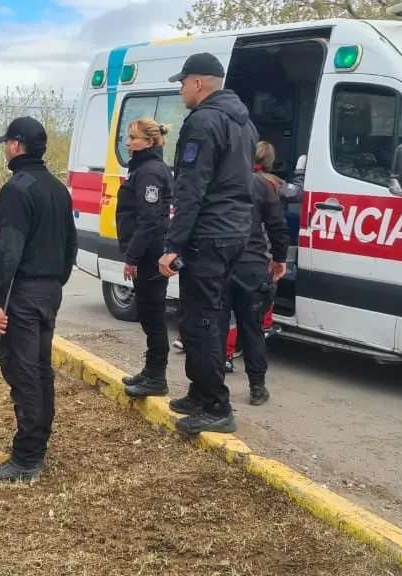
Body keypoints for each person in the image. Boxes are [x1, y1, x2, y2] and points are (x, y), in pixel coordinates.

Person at [156, 52, 257, 435]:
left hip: (209, 234)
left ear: (198, 83)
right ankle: (199, 393)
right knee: (205, 314)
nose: (181, 90)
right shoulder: (242, 121)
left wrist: (173, 245)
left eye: (183, 83)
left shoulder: (203, 121)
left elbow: (190, 188)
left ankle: (216, 406)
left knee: (201, 321)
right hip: (234, 232)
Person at [0, 116, 77, 482]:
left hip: (22, 293)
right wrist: (55, 283)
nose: (6, 149)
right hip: (49, 290)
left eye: (7, 143)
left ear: (16, 145)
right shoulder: (57, 188)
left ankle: (26, 458)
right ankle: (36, 446)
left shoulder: (17, 189)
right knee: (38, 369)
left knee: (23, 372)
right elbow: (71, 245)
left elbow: (7, 251)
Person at [223, 141, 290, 406]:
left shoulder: (220, 179)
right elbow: (277, 227)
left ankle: (212, 389)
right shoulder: (265, 186)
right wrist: (280, 259)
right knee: (252, 330)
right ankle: (257, 388)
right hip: (251, 267)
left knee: (216, 327)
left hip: (220, 263)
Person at [117, 117, 176, 398]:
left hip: (150, 254)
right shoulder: (144, 169)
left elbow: (149, 220)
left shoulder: (150, 172)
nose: (128, 143)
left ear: (149, 142)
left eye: (133, 138)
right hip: (148, 251)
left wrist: (132, 256)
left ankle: (156, 377)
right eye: (128, 138)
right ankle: (151, 370)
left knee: (152, 315)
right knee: (148, 313)